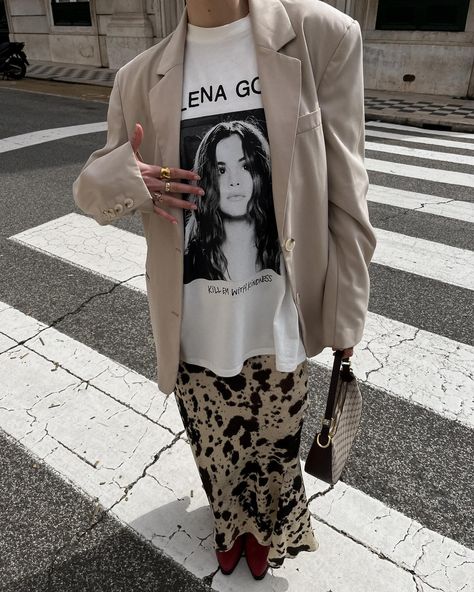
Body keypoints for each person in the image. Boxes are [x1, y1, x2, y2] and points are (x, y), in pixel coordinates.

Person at [72, 0, 377, 581]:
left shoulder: (321, 36)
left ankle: (265, 530)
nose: (234, 180)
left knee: (277, 453)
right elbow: (90, 190)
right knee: (215, 451)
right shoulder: (138, 77)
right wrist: (128, 180)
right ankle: (228, 521)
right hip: (194, 323)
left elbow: (347, 193)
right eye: (222, 168)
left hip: (281, 318)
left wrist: (345, 319)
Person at [183, 118, 280, 283]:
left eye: (245, 166)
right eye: (221, 170)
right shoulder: (189, 261)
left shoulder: (284, 251)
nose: (234, 181)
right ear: (207, 180)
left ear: (261, 173)